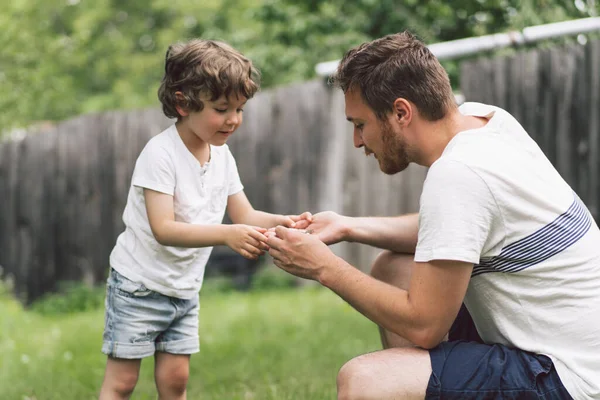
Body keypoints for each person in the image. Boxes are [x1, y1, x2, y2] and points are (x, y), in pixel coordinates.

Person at [265, 31, 600, 399]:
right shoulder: (486, 122)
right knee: (395, 271)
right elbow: (456, 231)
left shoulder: (458, 173)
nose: (358, 142)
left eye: (360, 125)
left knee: (366, 381)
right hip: (576, 347)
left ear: (401, 112)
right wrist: (348, 226)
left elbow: (424, 325)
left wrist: (324, 268)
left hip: (571, 378)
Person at [98, 39, 311, 400]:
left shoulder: (222, 156)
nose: (233, 119)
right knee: (122, 383)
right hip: (139, 286)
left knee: (175, 381)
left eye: (240, 109)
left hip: (183, 290)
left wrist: (282, 222)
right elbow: (164, 229)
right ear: (183, 102)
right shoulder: (160, 155)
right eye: (221, 108)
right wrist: (226, 235)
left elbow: (245, 215)